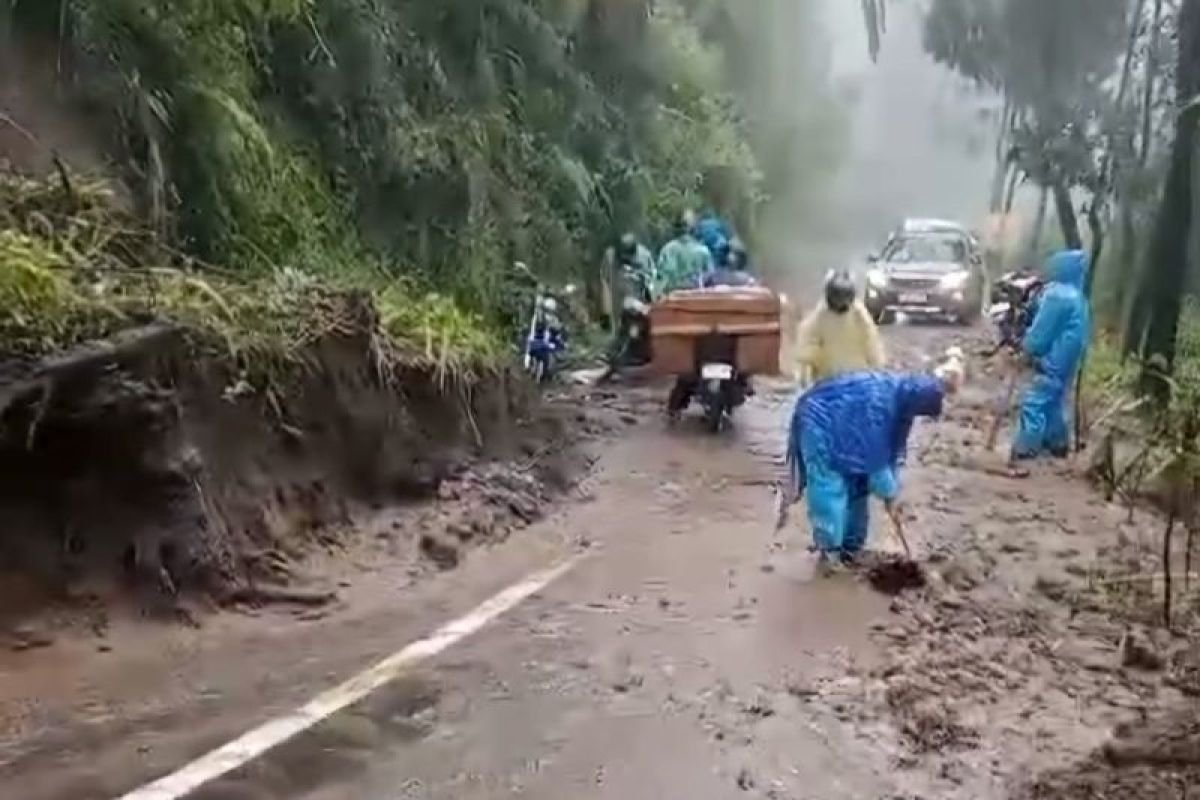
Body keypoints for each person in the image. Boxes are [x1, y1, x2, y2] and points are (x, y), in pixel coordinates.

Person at [789, 362, 962, 573]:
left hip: (847, 420)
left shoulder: (902, 400)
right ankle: (829, 552)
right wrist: (890, 493)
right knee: (829, 485)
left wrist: (893, 486)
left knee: (858, 486)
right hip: (818, 420)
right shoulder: (881, 404)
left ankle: (851, 547)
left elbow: (891, 452)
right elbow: (876, 464)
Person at [1009, 249, 1090, 467]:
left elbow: (1041, 332)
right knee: (1053, 401)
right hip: (1069, 360)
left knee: (1034, 401)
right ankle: (1057, 445)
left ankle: (1025, 450)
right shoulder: (1078, 297)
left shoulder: (1058, 295)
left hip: (1054, 359)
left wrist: (1027, 349)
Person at [601, 233, 655, 337]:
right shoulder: (610, 257)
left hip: (639, 306)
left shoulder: (644, 256)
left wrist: (650, 305)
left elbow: (651, 281)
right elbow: (605, 284)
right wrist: (605, 311)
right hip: (618, 304)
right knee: (618, 337)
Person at [655, 214, 713, 297]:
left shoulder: (667, 249)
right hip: (697, 296)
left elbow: (661, 277)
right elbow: (710, 274)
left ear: (675, 229)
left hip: (674, 298)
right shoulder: (703, 250)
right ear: (694, 229)